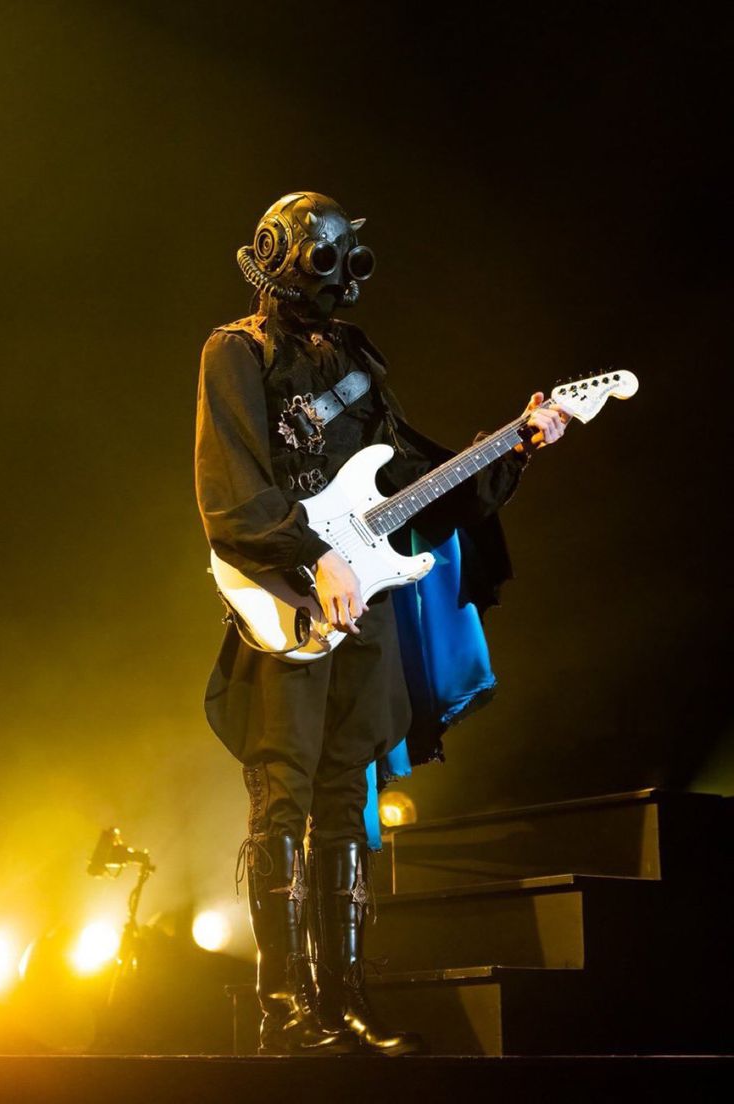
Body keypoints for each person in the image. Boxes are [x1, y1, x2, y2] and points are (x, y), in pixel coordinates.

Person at [194, 191, 567, 1056]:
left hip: (365, 597)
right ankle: (283, 1008)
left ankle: (344, 1000)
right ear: (279, 252)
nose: (341, 277)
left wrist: (513, 444)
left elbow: (409, 480)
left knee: (345, 799)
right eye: (325, 256)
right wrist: (307, 555)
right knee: (282, 796)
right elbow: (230, 492)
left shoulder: (356, 356)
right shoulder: (235, 353)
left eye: (349, 259)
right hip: (289, 599)